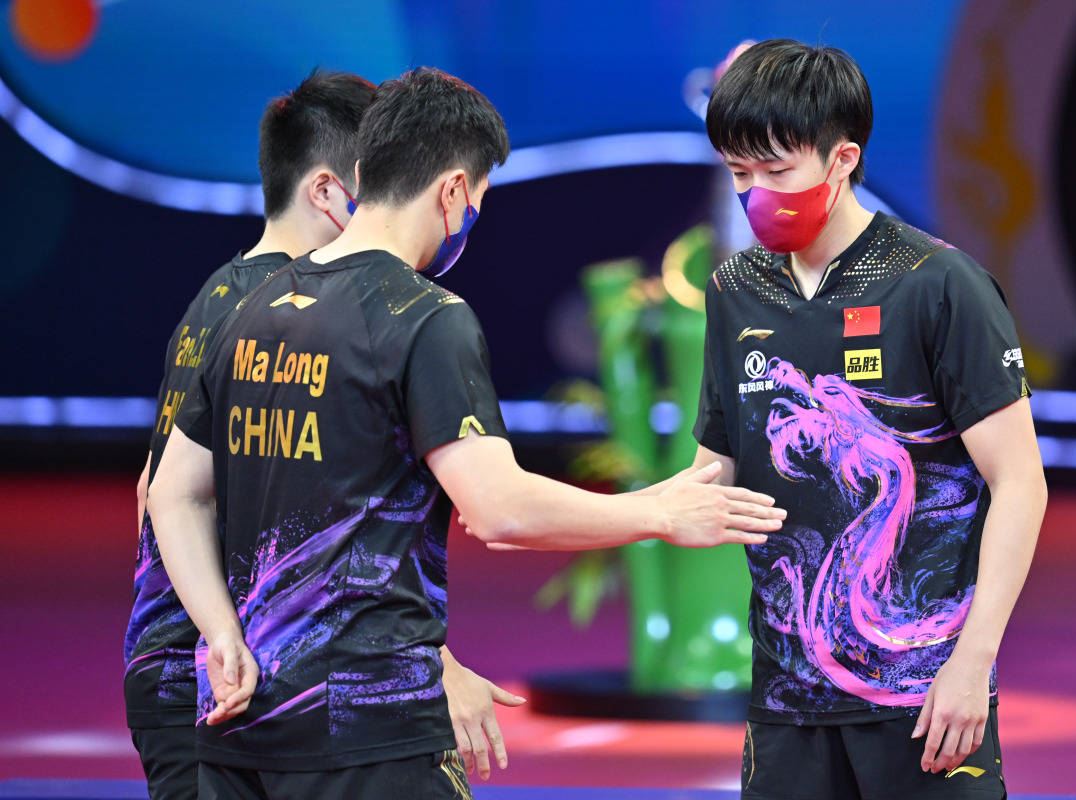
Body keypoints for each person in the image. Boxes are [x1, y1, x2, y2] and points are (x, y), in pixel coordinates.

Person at [147, 67, 785, 799]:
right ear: (452, 191)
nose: (471, 217)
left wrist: (221, 634)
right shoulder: (425, 318)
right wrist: (660, 513)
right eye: (477, 198)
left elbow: (172, 493)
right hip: (371, 730)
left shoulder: (246, 308)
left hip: (240, 726)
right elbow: (498, 509)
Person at [125, 70, 520, 799]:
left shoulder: (228, 296)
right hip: (231, 680)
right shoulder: (285, 309)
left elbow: (163, 486)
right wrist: (434, 665)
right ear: (336, 186)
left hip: (216, 670)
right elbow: (281, 509)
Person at [688, 40, 1045, 799]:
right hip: (786, 699)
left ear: (843, 158)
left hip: (926, 699)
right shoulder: (733, 289)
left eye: (776, 171)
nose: (754, 194)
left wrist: (972, 662)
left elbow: (1020, 482)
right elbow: (716, 468)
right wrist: (582, 516)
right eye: (739, 173)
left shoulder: (938, 284)